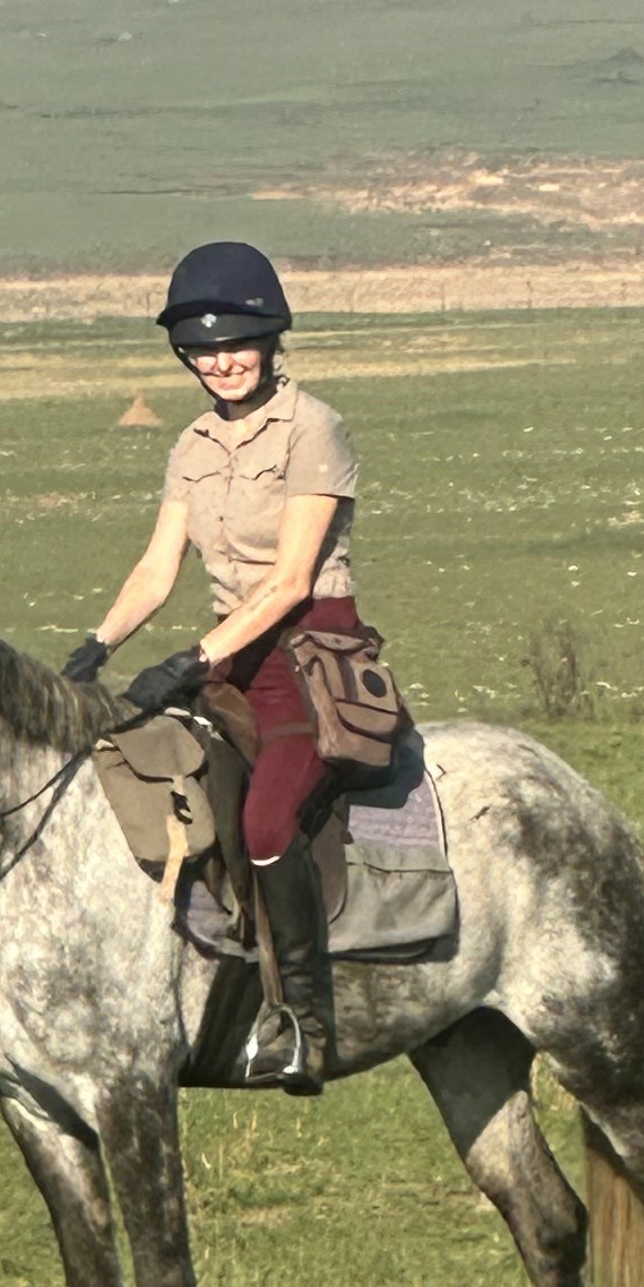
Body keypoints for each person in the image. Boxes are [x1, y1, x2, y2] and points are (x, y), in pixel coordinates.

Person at [68, 242, 391, 1090]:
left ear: (271, 340)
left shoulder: (313, 428)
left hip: (311, 657)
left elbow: (290, 581)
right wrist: (97, 647)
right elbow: (157, 567)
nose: (222, 361)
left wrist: (192, 657)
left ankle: (306, 1029)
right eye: (204, 350)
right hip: (227, 657)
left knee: (267, 820)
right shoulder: (192, 445)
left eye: (237, 343)